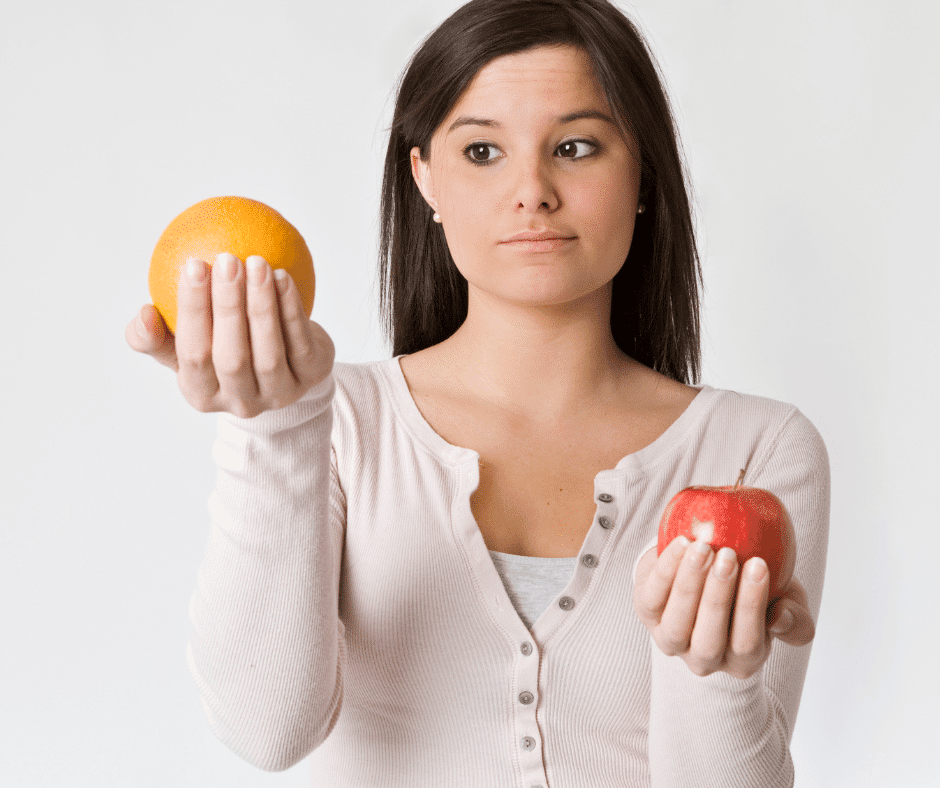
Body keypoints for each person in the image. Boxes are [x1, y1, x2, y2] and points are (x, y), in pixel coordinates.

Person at [126, 0, 829, 785]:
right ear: (425, 177)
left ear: (643, 174)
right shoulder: (334, 421)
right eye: (484, 150)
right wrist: (273, 430)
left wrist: (715, 670)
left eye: (575, 146)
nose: (532, 190)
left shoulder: (755, 451)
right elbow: (266, 732)